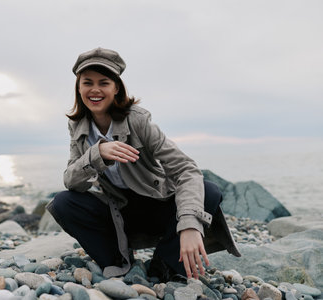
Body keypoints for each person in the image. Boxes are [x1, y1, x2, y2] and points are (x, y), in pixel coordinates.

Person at [47, 47, 240, 281]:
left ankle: (164, 265)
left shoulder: (137, 120)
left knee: (209, 191)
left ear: (116, 88)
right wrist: (97, 154)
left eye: (104, 83)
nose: (95, 90)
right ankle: (118, 262)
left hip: (156, 204)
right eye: (87, 82)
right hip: (120, 211)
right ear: (79, 87)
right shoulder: (78, 127)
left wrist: (190, 224)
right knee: (63, 203)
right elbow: (71, 181)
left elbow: (186, 170)